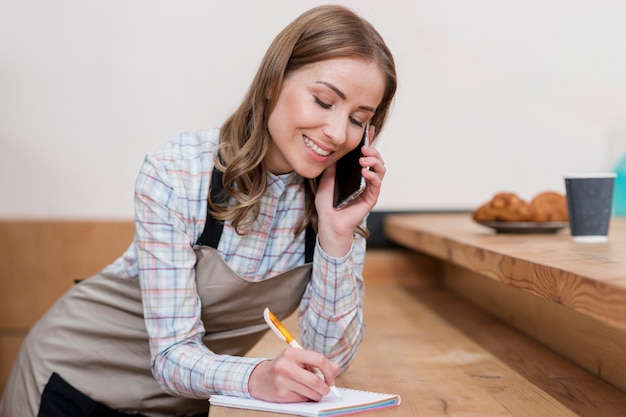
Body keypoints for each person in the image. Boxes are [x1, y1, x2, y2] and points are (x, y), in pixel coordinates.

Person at [0, 4, 397, 416]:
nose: (336, 133)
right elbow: (171, 354)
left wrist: (335, 236)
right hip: (72, 384)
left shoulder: (336, 205)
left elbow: (329, 362)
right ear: (272, 82)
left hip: (181, 405)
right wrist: (256, 376)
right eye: (323, 100)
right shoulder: (177, 172)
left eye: (357, 118)